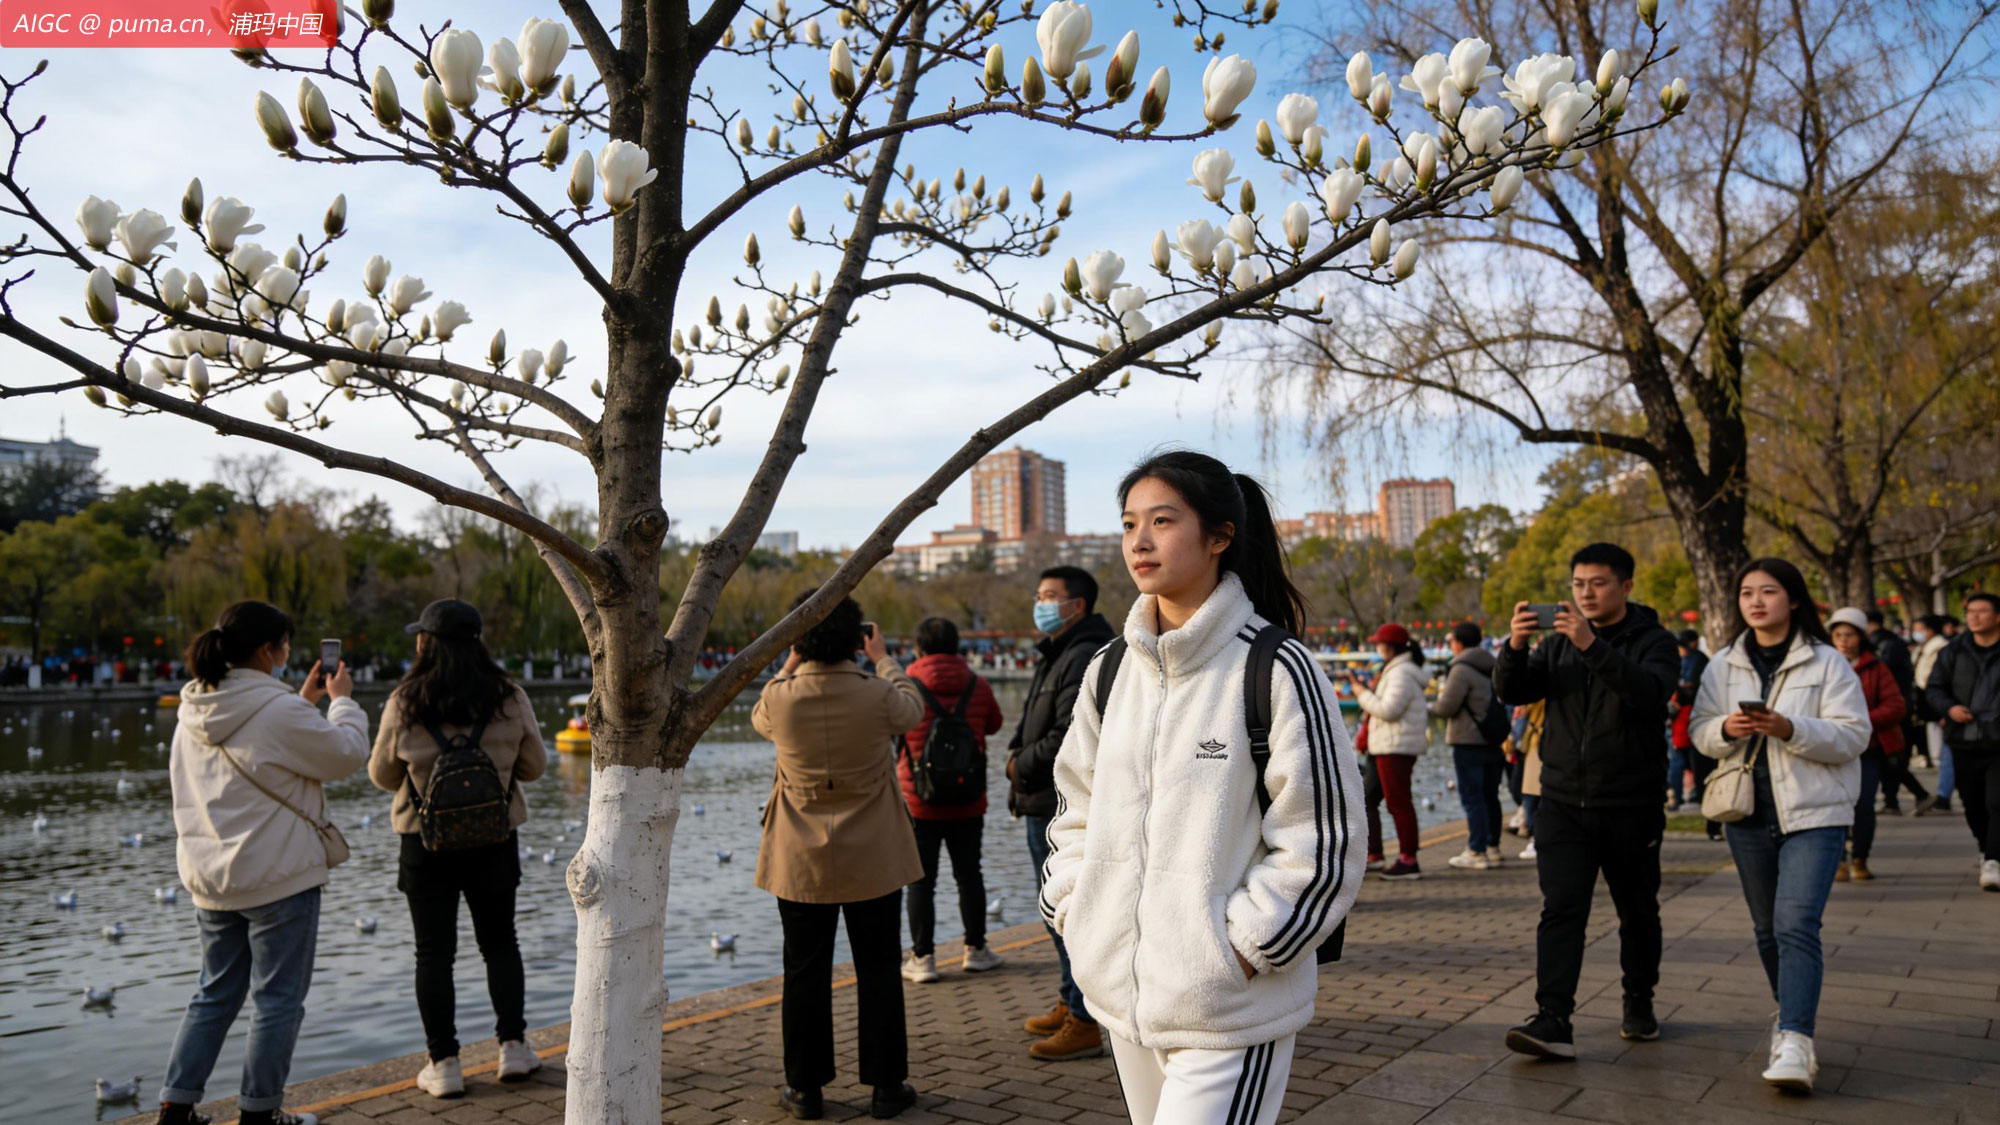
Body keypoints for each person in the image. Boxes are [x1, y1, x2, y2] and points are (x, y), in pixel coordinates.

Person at [1041, 451, 1365, 1125]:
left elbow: (1324, 837)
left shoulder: (1276, 666)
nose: (1140, 540)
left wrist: (1243, 950)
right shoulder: (1109, 671)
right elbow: (1075, 805)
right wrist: (1077, 911)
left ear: (1220, 535)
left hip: (1227, 1008)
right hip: (1121, 998)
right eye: (1130, 522)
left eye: (1163, 520)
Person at [157, 602, 369, 1125]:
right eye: (287, 646)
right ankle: (259, 1112)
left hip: (212, 879)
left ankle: (175, 1108)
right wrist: (340, 703)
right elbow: (344, 755)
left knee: (213, 994)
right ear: (267, 650)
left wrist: (303, 702)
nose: (289, 654)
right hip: (278, 880)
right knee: (277, 1001)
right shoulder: (277, 711)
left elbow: (260, 747)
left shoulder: (193, 711)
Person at [1494, 543, 1680, 1059]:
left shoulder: (1655, 642)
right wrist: (1514, 646)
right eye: (1578, 584)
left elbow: (1648, 693)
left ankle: (1638, 1000)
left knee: (1637, 911)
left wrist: (1591, 646)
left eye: (1598, 583)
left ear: (1625, 585)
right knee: (1561, 909)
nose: (1586, 593)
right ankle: (1553, 1018)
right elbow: (1513, 693)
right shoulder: (1555, 645)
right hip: (1560, 802)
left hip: (1629, 803)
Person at [1693, 559, 1870, 1092]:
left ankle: (1796, 1037)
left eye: (1768, 591)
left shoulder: (1827, 662)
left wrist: (1790, 727)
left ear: (1793, 600)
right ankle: (1787, 1014)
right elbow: (1700, 732)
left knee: (1796, 924)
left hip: (1814, 814)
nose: (1756, 601)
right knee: (1768, 930)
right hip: (1745, 813)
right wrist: (1726, 727)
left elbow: (1853, 735)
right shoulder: (1721, 664)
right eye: (1747, 592)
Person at [752, 591, 925, 1120]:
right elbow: (912, 709)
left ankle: (805, 1090)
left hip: (798, 856)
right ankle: (887, 1087)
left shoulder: (781, 699)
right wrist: (883, 659)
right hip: (872, 853)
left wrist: (791, 658)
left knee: (804, 971)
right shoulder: (877, 694)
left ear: (798, 638)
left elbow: (762, 717)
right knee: (878, 969)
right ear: (857, 637)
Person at [367, 599, 548, 1097]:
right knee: (500, 943)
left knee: (433, 954)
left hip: (425, 843)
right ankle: (513, 1048)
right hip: (494, 839)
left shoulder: (405, 699)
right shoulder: (508, 695)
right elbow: (534, 766)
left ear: (425, 642)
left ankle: (444, 1063)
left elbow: (382, 774)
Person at [1005, 564, 1116, 1061]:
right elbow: (1033, 720)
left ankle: (1085, 1019)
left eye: (1049, 595)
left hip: (1059, 802)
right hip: (1038, 796)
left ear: (1078, 606)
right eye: (1037, 593)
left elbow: (1068, 737)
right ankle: (1070, 998)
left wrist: (1020, 764)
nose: (1040, 603)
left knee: (1069, 911)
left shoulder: (1084, 654)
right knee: (1055, 910)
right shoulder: (1058, 652)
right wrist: (1014, 754)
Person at [896, 615, 1006, 984]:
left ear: (919, 648)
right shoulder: (977, 684)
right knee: (968, 874)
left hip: (919, 802)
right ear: (957, 646)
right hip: (967, 798)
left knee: (920, 882)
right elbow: (993, 724)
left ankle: (923, 958)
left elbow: (892, 731)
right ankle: (975, 950)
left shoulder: (906, 686)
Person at [1922, 592, 2000, 891]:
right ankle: (1986, 847)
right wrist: (1949, 708)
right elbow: (1935, 688)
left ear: (1997, 616)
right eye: (1970, 611)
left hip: (1998, 741)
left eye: (1982, 611)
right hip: (1963, 739)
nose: (1975, 616)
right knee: (1973, 804)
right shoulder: (1953, 651)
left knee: (1997, 801)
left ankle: (1994, 860)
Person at [1826, 608, 1905, 883]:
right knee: (1833, 806)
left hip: (1867, 750)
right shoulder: (1822, 666)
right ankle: (1837, 861)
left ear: (1861, 637)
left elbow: (1896, 706)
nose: (1843, 640)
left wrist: (1859, 722)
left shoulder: (1876, 667)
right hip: (1829, 749)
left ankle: (1860, 857)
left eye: (1849, 634)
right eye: (1838, 635)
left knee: (1863, 806)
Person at [1351, 624, 1430, 880]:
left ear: (1390, 647)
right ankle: (1374, 854)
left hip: (1395, 747)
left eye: (1379, 643)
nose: (1376, 647)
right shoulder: (1395, 670)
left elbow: (1388, 710)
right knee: (1367, 798)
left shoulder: (1402, 674)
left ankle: (1409, 860)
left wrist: (1361, 694)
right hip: (1385, 745)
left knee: (1398, 802)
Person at [1431, 622, 1504, 870]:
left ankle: (1476, 850)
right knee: (1490, 796)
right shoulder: (1493, 665)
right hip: (1493, 738)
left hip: (1468, 740)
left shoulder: (1461, 669)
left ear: (1458, 643)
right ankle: (1493, 846)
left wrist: (1431, 705)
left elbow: (1447, 706)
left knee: (1473, 797)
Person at [1866, 609, 1927, 814]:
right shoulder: (1890, 642)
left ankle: (1917, 795)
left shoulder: (1883, 648)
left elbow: (1888, 682)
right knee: (1889, 758)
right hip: (1891, 708)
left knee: (1891, 758)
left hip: (1889, 710)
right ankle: (1893, 801)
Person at [1915, 613, 1957, 813]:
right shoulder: (1935, 646)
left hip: (1948, 708)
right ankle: (1943, 794)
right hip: (1940, 703)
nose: (1917, 633)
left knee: (1946, 751)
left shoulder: (1941, 647)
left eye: (1919, 628)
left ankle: (1943, 794)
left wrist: (1946, 709)